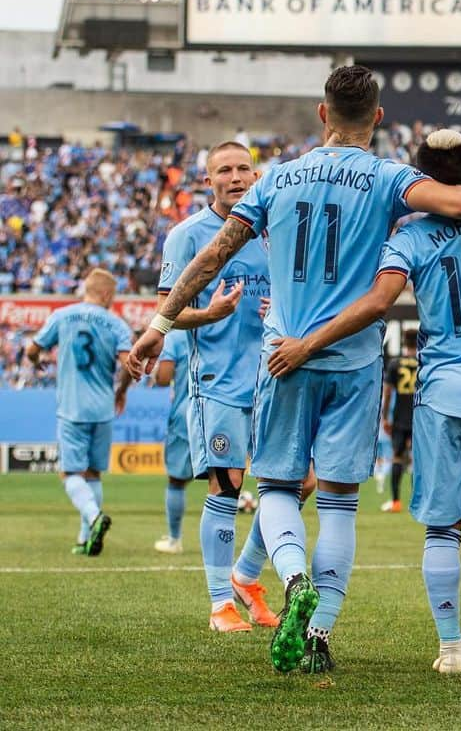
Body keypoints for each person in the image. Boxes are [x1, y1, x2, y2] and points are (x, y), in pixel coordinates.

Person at [128, 66, 461, 675]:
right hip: (354, 358)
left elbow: (214, 256)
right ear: (376, 118)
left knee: (274, 489)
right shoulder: (389, 177)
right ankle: (319, 633)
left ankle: (292, 579)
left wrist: (158, 325)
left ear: (322, 114)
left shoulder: (278, 179)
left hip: (286, 354)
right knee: (340, 501)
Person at [267, 129, 461, 675]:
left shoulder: (408, 239)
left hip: (442, 398)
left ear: (425, 181)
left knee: (440, 529)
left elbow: (379, 301)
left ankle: (451, 648)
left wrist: (309, 343)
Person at [144, 141, 279, 632]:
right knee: (227, 487)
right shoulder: (187, 236)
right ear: (209, 180)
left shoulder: (273, 233)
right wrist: (212, 312)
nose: (237, 176)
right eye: (225, 169)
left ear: (256, 175)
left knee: (296, 484)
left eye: (245, 167)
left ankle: (246, 575)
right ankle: (221, 602)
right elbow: (167, 311)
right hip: (218, 382)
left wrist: (278, 311)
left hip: (275, 378)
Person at [26, 268, 131, 555]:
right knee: (94, 473)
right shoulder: (116, 323)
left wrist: (37, 361)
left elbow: (32, 349)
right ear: (107, 294)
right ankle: (86, 540)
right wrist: (120, 392)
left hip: (72, 407)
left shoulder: (62, 315)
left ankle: (94, 518)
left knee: (69, 473)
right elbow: (129, 364)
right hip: (103, 408)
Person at [154, 330, 194, 552]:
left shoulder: (177, 336)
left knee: (177, 480)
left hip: (185, 413)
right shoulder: (222, 323)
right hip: (222, 410)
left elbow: (163, 378)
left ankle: (174, 539)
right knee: (224, 480)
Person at [380, 329, 419, 514]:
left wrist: (385, 417)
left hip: (400, 418)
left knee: (397, 457)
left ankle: (396, 501)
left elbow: (387, 392)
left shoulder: (395, 363)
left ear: (404, 341)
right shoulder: (423, 363)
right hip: (420, 417)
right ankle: (419, 502)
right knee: (419, 460)